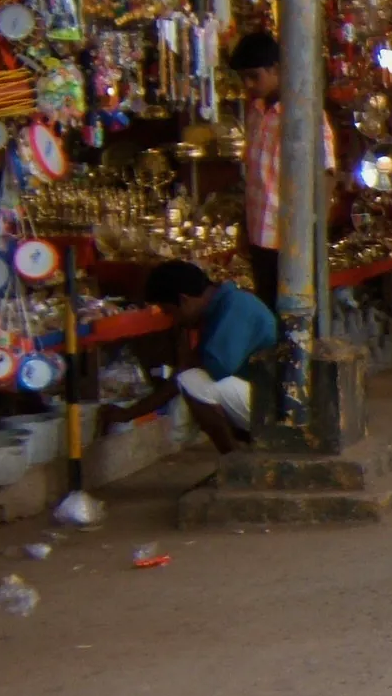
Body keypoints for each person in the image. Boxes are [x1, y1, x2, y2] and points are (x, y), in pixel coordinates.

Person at [98, 261, 277, 455]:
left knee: (192, 382)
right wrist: (128, 414)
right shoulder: (222, 307)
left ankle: (234, 459)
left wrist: (184, 346)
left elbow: (210, 369)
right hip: (263, 399)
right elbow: (184, 373)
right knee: (190, 383)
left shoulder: (236, 306)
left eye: (170, 312)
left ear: (184, 300)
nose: (174, 319)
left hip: (273, 406)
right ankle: (245, 452)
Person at [230, 31, 335, 302]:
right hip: (259, 235)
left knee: (293, 311)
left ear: (275, 70)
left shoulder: (304, 115)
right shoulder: (256, 113)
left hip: (290, 239)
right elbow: (255, 177)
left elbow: (325, 175)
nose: (249, 85)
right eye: (244, 78)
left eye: (255, 76)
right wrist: (244, 228)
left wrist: (312, 233)